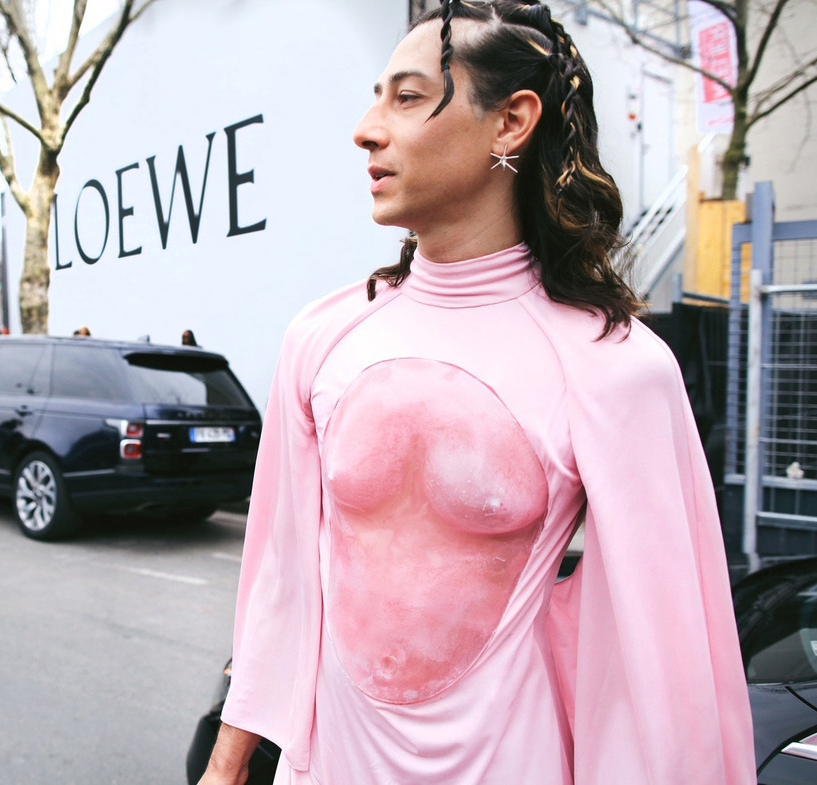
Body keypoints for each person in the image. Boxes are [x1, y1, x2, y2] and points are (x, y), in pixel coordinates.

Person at [200, 2, 755, 784]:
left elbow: (669, 664)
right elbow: (281, 583)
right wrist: (225, 768)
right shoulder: (322, 337)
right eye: (375, 98)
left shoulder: (616, 367)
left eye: (408, 97)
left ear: (511, 122)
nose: (366, 130)